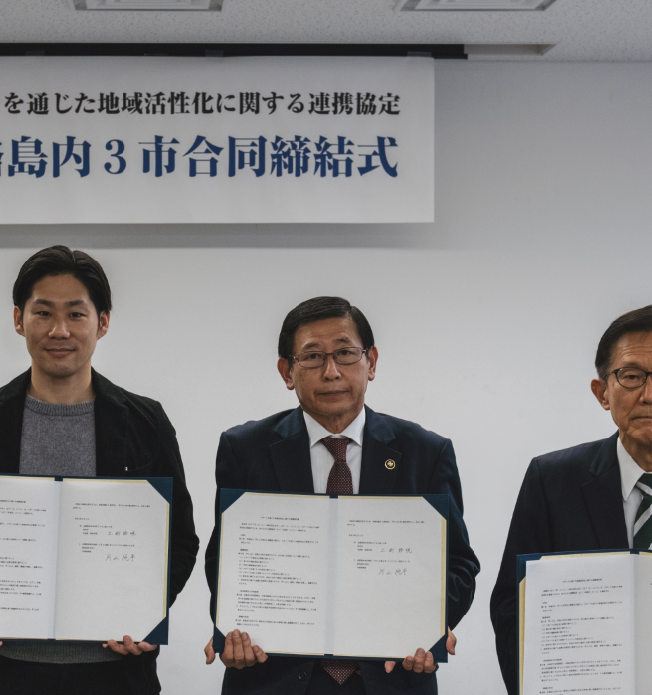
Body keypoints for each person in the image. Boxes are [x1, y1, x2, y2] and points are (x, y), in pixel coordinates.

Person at [0, 245, 199, 695]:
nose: (59, 330)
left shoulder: (146, 421)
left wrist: (148, 613)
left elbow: (180, 538)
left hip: (113, 670)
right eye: (43, 313)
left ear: (102, 323)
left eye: (75, 314)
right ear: (19, 320)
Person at [203, 296, 479, 695]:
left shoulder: (426, 452)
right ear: (287, 371)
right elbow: (225, 560)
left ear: (372, 362)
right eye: (312, 357)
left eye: (346, 353)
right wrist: (231, 628)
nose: (331, 371)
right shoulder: (245, 449)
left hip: (391, 678)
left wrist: (430, 626)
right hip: (273, 678)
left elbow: (459, 563)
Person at [490, 305, 652, 693]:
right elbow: (511, 607)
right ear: (602, 392)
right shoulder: (552, 480)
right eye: (631, 376)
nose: (650, 395)